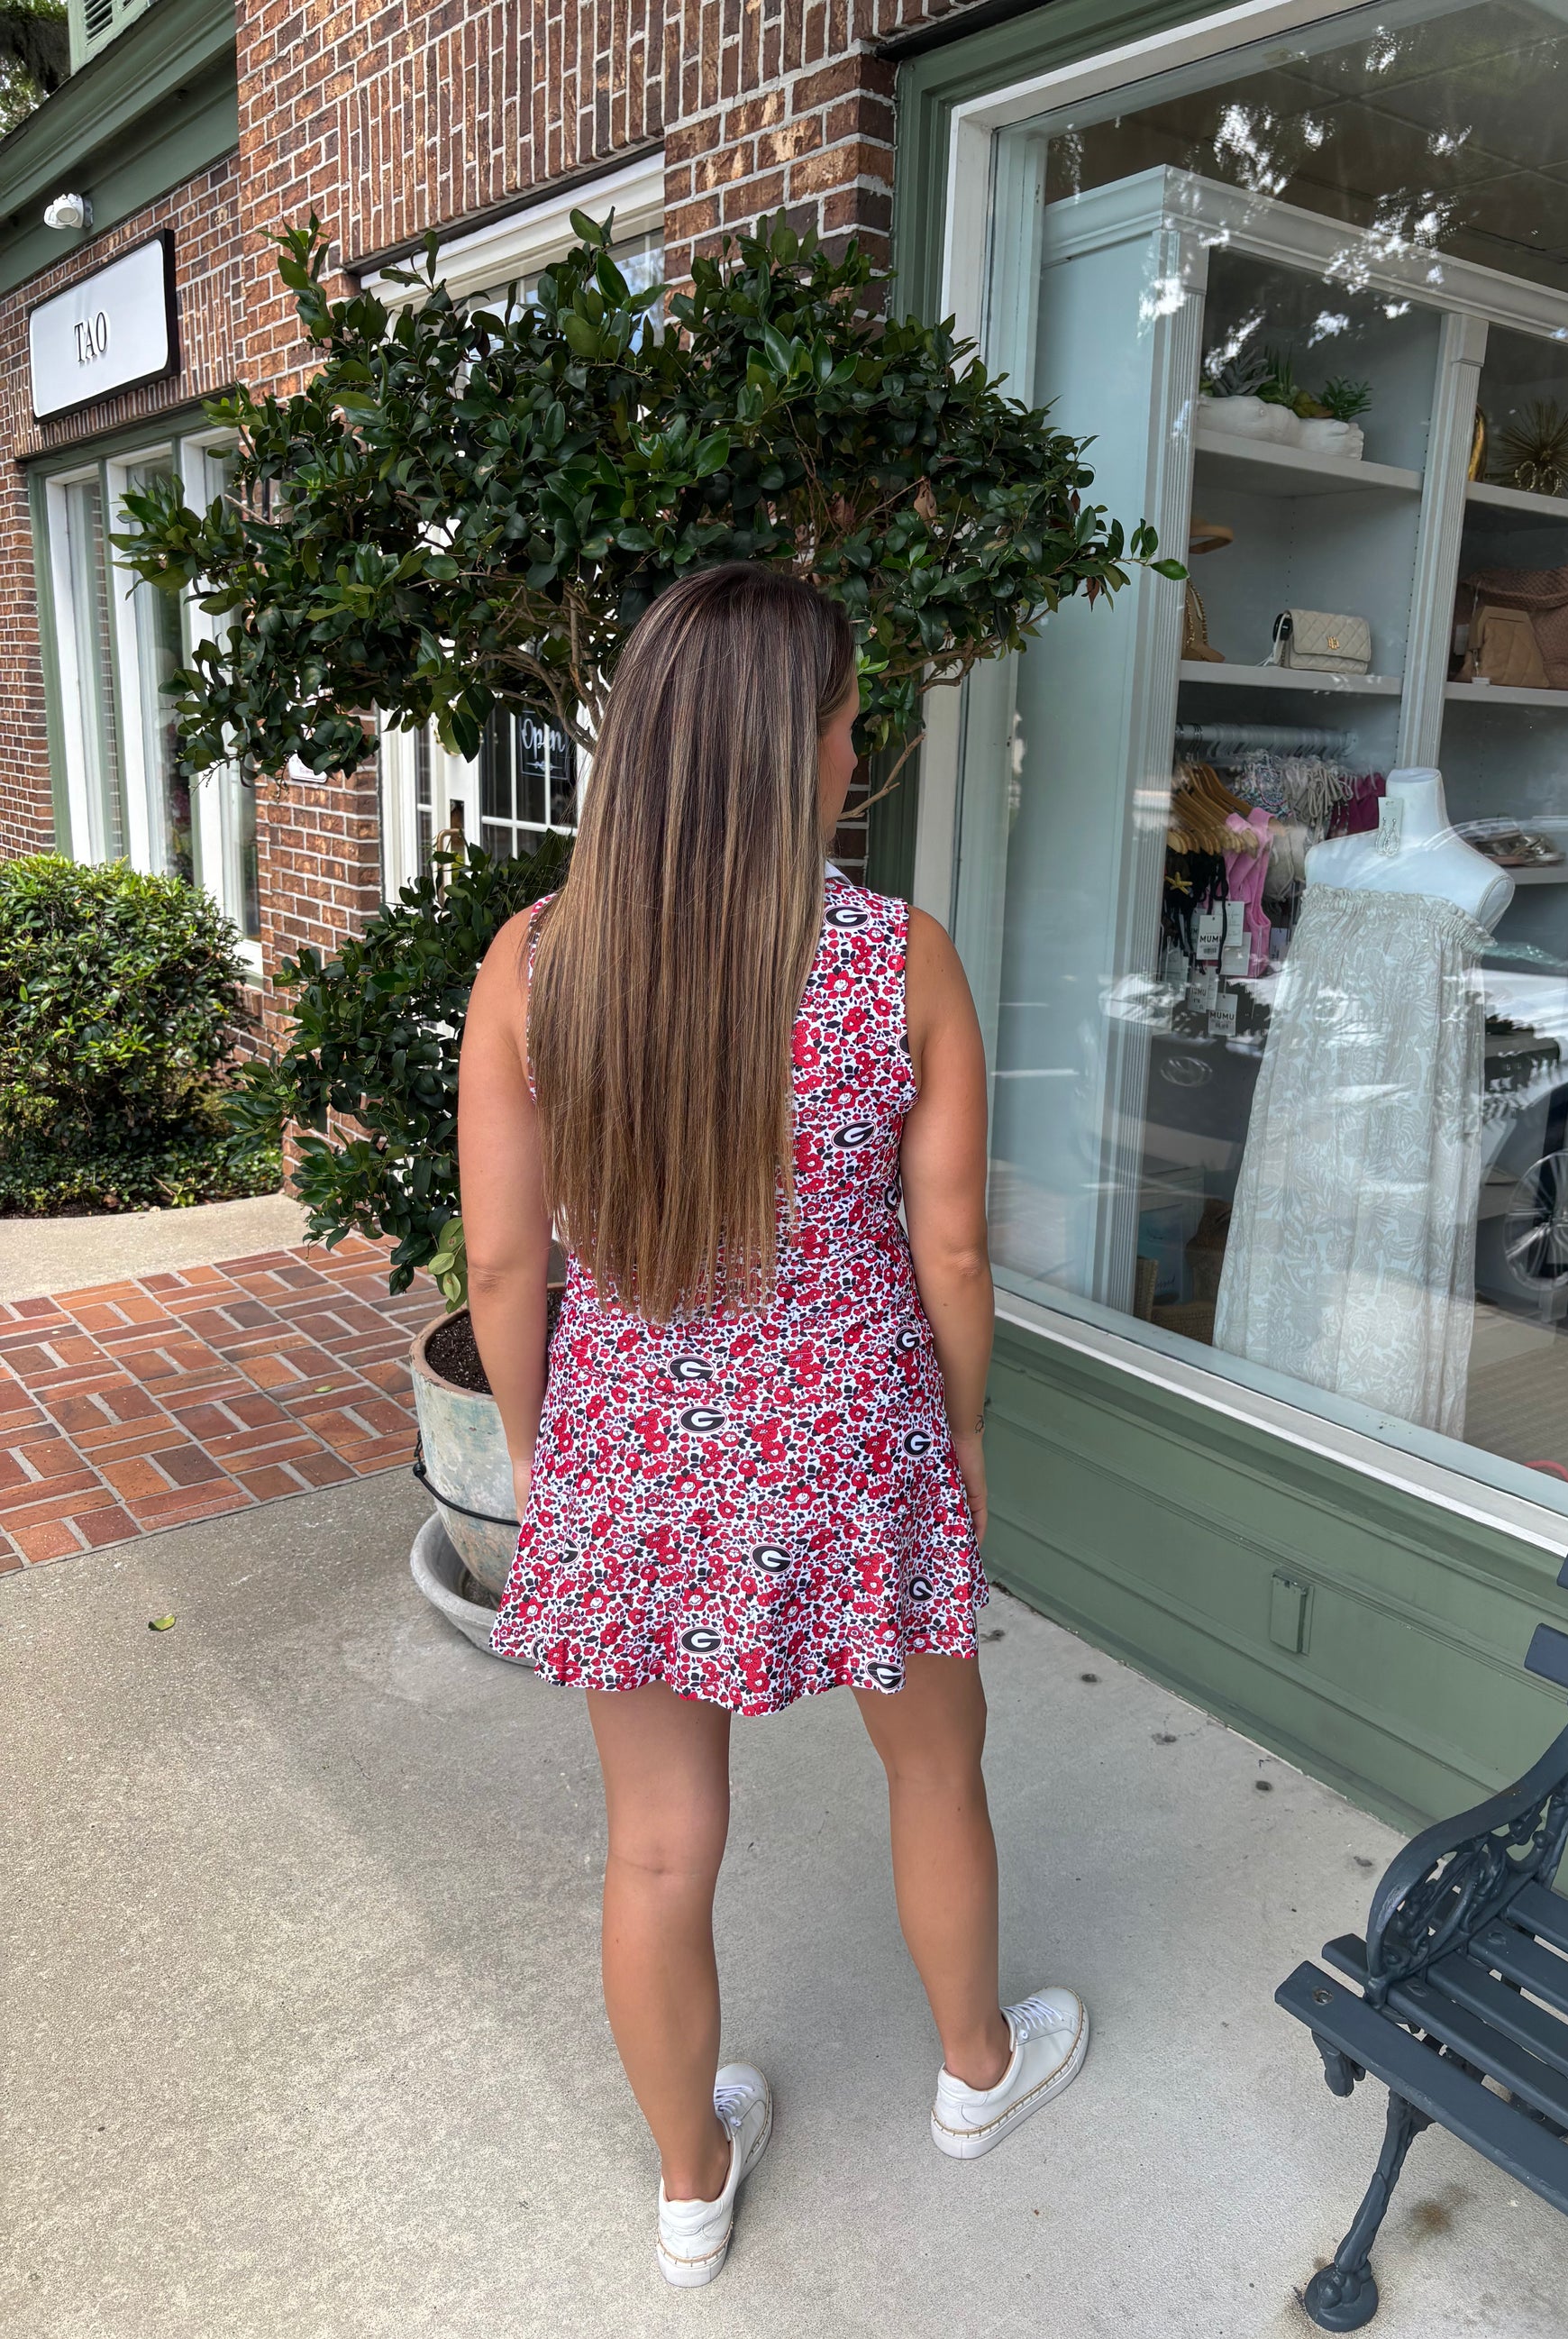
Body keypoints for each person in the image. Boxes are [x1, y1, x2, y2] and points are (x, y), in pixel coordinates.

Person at [457, 563, 1087, 2288]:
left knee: (656, 1844)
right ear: (793, 750)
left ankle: (687, 2184)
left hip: (632, 1454)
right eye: (846, 715)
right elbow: (946, 1244)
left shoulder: (535, 964)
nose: (858, 739)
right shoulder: (899, 962)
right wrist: (957, 1426)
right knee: (936, 1759)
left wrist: (543, 1452)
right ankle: (975, 2071)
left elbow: (504, 1265)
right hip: (856, 1434)